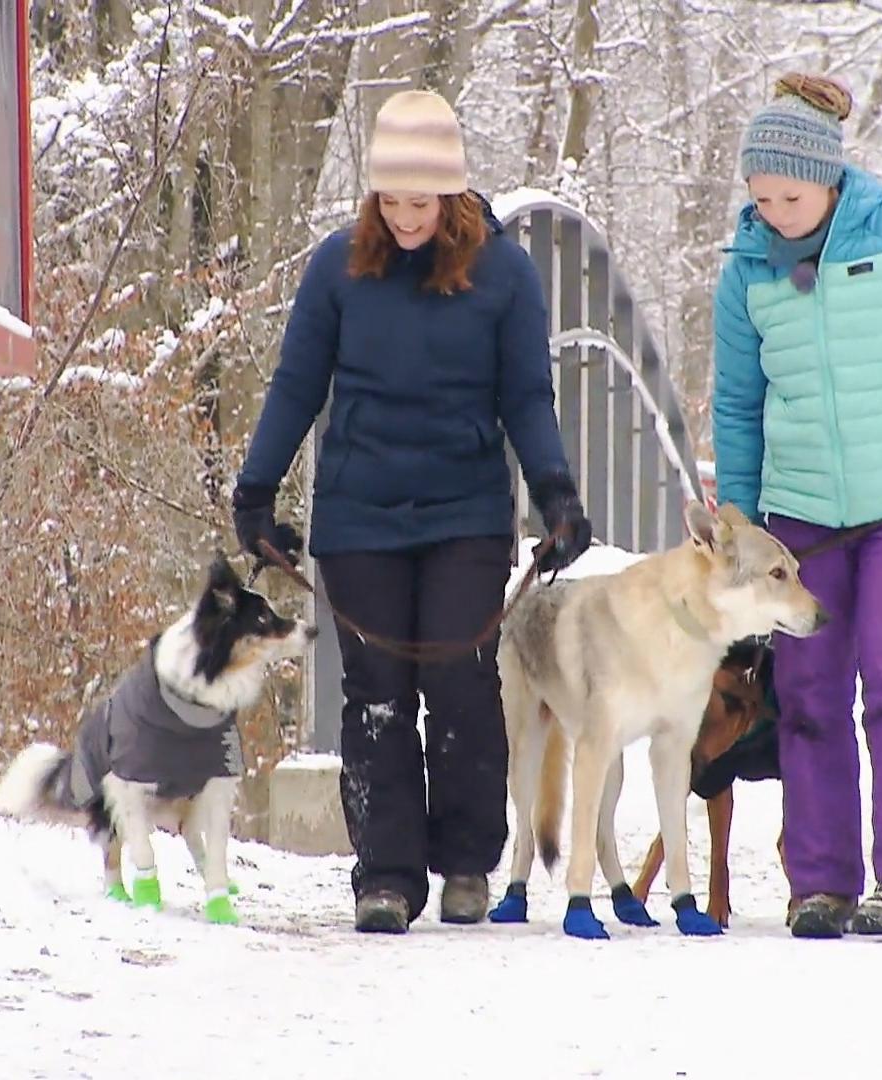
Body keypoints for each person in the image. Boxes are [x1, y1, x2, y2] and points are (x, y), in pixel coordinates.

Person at [231, 90, 591, 933]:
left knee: (461, 682)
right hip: (360, 514)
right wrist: (256, 491)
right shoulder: (338, 268)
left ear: (453, 194)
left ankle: (465, 860)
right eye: (389, 200)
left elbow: (526, 396)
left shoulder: (505, 274)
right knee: (377, 694)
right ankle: (385, 875)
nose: (402, 217)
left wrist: (556, 494)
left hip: (465, 513)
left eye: (419, 202)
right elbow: (296, 385)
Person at [713, 72, 882, 938]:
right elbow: (737, 402)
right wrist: (739, 521)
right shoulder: (746, 272)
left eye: (788, 198)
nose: (774, 214)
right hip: (800, 517)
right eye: (759, 199)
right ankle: (820, 883)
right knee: (807, 690)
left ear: (828, 177)